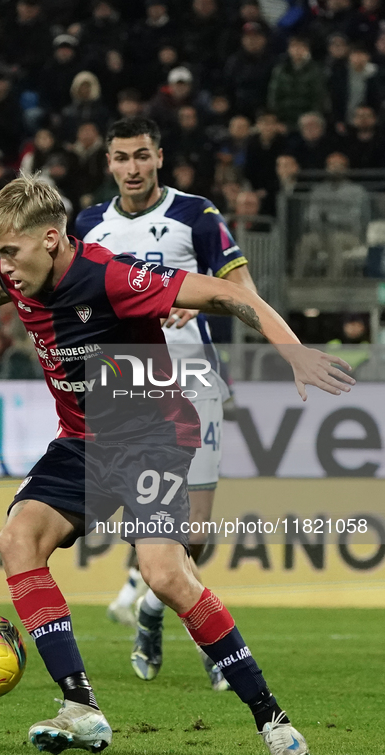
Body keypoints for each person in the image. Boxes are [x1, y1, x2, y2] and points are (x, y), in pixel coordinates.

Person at [0, 172, 353, 755]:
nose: (5, 267)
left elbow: (232, 297)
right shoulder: (23, 275)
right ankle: (80, 708)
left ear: (52, 238)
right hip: (83, 442)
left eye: (11, 251)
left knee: (165, 574)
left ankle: (272, 719)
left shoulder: (112, 277)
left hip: (152, 438)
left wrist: (291, 348)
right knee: (18, 538)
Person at [75, 116, 255, 688]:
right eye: (121, 157)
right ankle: (205, 636)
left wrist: (202, 303)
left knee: (194, 532)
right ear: (108, 163)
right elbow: (73, 303)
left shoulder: (194, 214)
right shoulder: (87, 227)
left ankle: (152, 610)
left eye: (142, 156)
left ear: (159, 158)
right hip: (126, 389)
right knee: (155, 525)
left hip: (194, 378)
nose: (132, 168)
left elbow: (245, 295)